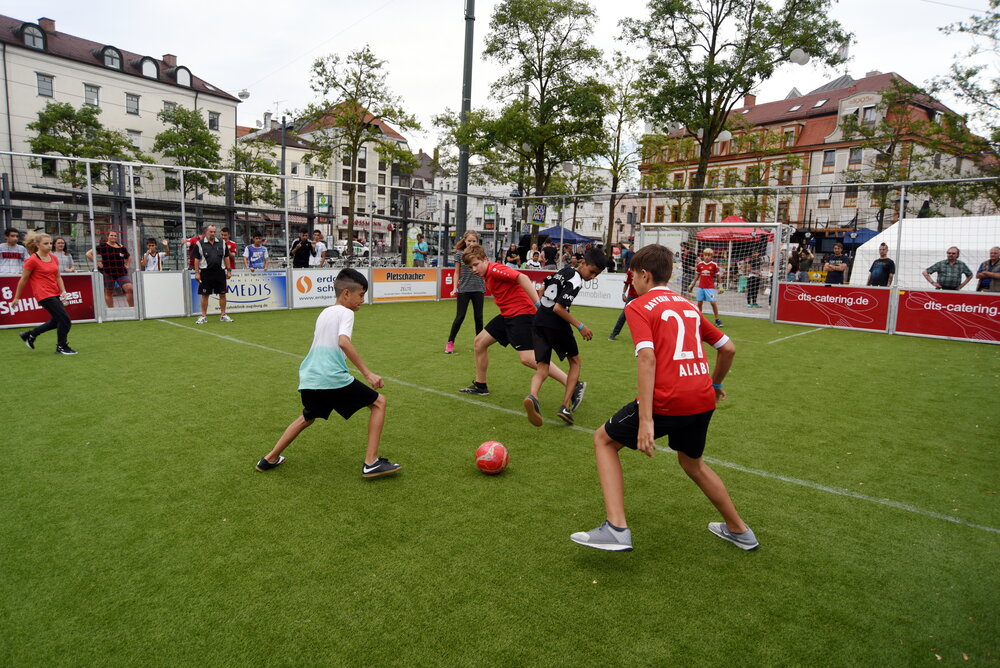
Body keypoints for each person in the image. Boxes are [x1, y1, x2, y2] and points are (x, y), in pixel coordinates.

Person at [570, 243, 756, 553]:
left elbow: (647, 359)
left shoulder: (638, 306)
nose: (632, 284)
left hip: (668, 400)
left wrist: (646, 420)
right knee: (693, 463)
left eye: (633, 278)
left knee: (603, 440)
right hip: (702, 399)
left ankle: (616, 528)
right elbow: (728, 348)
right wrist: (715, 384)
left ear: (644, 275)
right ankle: (740, 530)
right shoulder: (688, 306)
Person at [255, 268, 401, 478]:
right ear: (346, 294)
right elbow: (343, 341)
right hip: (331, 377)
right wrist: (368, 373)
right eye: (361, 295)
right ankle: (371, 462)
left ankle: (269, 458)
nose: (362, 300)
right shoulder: (346, 312)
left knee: (307, 417)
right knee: (379, 403)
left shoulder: (325, 312)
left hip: (310, 377)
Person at [458, 246, 580, 408]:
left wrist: (538, 303)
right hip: (507, 315)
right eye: (470, 267)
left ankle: (573, 385)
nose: (473, 269)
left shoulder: (495, 269)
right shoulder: (486, 273)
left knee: (528, 359)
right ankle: (481, 385)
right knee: (479, 342)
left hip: (521, 314)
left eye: (476, 264)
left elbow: (522, 277)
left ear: (485, 259)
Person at [524, 247, 606, 426]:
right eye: (592, 272)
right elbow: (558, 308)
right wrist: (580, 326)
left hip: (538, 321)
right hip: (555, 323)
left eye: (596, 275)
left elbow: (541, 290)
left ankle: (533, 396)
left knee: (543, 367)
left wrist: (542, 309)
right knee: (575, 361)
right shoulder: (576, 280)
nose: (592, 277)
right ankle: (565, 406)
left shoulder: (562, 271)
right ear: (583, 263)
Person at [8, 231, 77, 354]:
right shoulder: (32, 260)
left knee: (56, 321)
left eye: (50, 243)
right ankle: (61, 347)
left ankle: (30, 335)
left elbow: (58, 276)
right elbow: (23, 279)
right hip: (43, 294)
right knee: (65, 320)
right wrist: (16, 297)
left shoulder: (54, 257)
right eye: (46, 243)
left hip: (55, 292)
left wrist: (63, 291)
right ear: (38, 245)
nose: (49, 245)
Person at [445, 230, 486, 354]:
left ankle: (480, 344)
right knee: (460, 317)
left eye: (474, 241)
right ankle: (450, 342)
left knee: (478, 318)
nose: (471, 243)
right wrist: (454, 288)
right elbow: (457, 272)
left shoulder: (481, 254)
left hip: (479, 289)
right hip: (464, 289)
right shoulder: (459, 254)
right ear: (465, 240)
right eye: (469, 241)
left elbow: (486, 269)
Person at [190, 225, 233, 323]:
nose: (213, 234)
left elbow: (226, 257)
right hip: (206, 272)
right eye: (211, 232)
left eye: (214, 232)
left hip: (220, 272)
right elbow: (196, 259)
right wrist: (197, 273)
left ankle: (223, 315)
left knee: (222, 294)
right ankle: (203, 316)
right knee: (205, 295)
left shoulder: (222, 243)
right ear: (206, 232)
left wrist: (229, 270)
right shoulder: (199, 244)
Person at [86, 230, 134, 308]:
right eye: (111, 235)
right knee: (109, 292)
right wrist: (98, 263)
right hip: (108, 272)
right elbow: (88, 254)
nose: (113, 237)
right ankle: (111, 310)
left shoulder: (121, 247)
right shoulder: (103, 246)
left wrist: (127, 265)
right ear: (107, 236)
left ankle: (132, 308)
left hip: (121, 272)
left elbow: (128, 256)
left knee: (129, 288)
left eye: (115, 236)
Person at [696, 248, 724, 326]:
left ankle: (717, 319)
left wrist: (720, 286)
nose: (706, 257)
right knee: (699, 303)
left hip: (710, 287)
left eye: (708, 255)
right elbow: (697, 274)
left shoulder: (714, 265)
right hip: (701, 287)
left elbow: (718, 275)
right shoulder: (700, 265)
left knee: (713, 302)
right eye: (705, 255)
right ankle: (700, 319)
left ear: (711, 256)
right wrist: (692, 283)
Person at [608, 268, 638, 341]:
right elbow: (626, 283)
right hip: (632, 296)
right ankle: (614, 333)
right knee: (624, 315)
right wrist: (623, 293)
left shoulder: (645, 270)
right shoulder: (630, 271)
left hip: (642, 296)